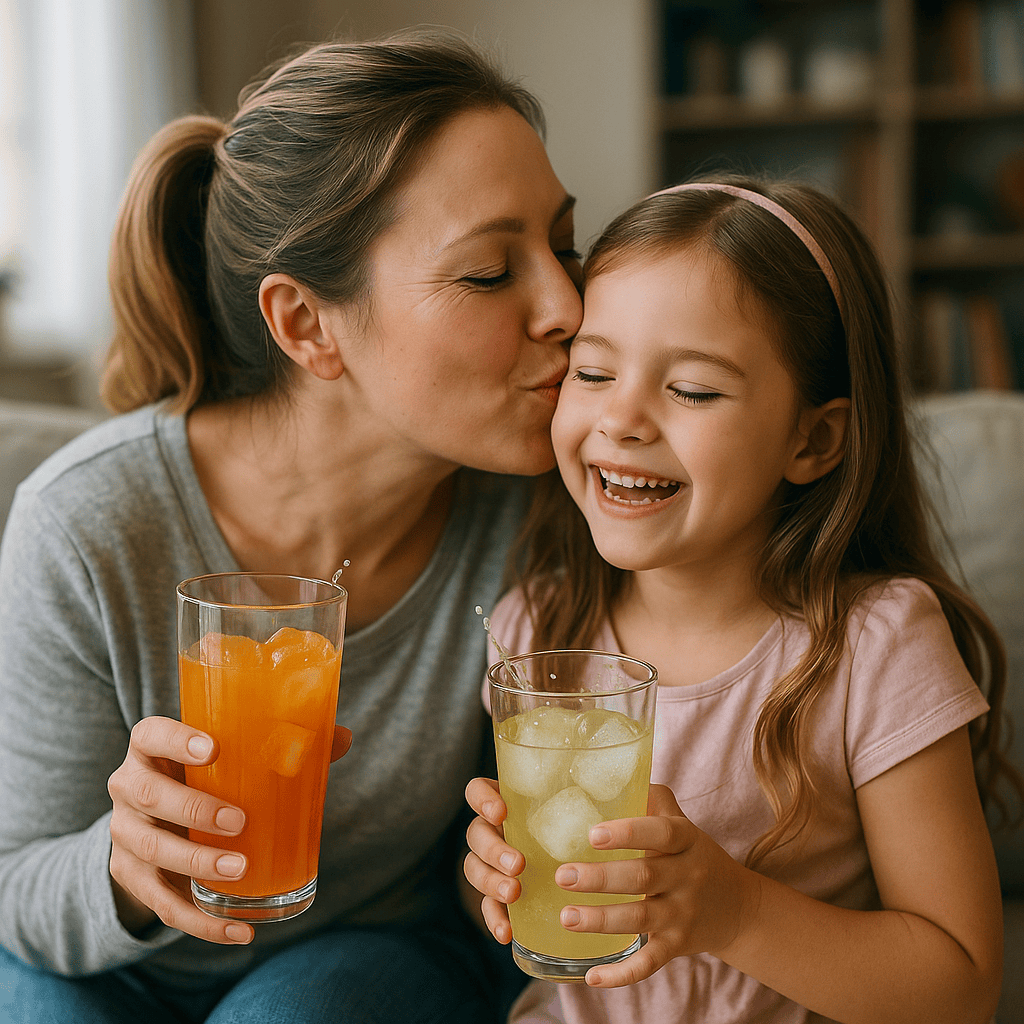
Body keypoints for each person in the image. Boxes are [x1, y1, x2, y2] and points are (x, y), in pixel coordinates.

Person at [0, 30, 583, 1024]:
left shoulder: (546, 513)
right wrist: (122, 865)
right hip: (105, 965)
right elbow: (18, 888)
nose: (567, 305)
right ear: (307, 324)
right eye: (491, 273)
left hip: (367, 955)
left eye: (565, 248)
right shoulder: (88, 524)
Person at [464, 177, 1022, 1024]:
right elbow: (523, 909)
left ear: (813, 438)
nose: (623, 418)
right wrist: (493, 881)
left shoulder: (876, 643)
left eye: (691, 390)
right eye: (595, 370)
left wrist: (731, 911)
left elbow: (963, 985)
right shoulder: (533, 629)